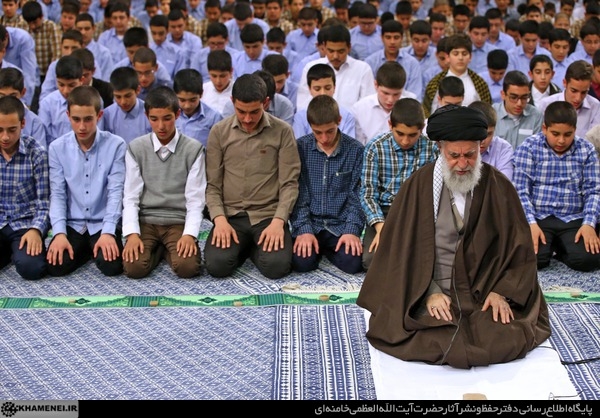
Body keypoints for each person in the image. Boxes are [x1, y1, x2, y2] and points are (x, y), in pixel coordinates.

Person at [357, 104, 551, 369]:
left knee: (504, 335)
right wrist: (429, 292)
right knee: (430, 335)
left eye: (470, 155)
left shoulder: (498, 186)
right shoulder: (417, 187)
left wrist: (502, 292)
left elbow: (518, 249)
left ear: (480, 148)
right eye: (454, 155)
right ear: (440, 149)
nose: (462, 164)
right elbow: (401, 253)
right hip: (428, 288)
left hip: (482, 291)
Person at [204, 73, 301, 279]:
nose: (247, 119)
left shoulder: (283, 131)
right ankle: (246, 247)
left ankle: (251, 248)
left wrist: (279, 222)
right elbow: (212, 186)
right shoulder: (219, 132)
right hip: (232, 216)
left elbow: (289, 184)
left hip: (267, 215)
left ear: (265, 103)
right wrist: (220, 220)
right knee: (217, 266)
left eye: (254, 112)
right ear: (232, 102)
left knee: (276, 267)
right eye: (241, 112)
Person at [122, 86, 206, 279]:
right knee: (134, 268)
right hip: (147, 221)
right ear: (147, 117)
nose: (161, 126)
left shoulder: (193, 149)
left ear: (177, 114)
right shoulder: (136, 148)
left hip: (177, 221)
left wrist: (189, 235)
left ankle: (167, 250)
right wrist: (132, 234)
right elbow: (131, 196)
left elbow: (195, 199)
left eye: (167, 118)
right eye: (154, 119)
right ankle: (160, 249)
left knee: (188, 268)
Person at [46, 85, 126, 277]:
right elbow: (57, 194)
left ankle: (92, 247)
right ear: (68, 116)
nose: (82, 126)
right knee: (55, 266)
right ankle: (87, 250)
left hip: (102, 221)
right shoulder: (57, 148)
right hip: (73, 223)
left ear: (99, 116)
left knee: (111, 266)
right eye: (76, 119)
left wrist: (108, 231)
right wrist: (59, 233)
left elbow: (116, 192)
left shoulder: (116, 145)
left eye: (88, 119)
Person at [513, 101, 600, 272]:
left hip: (573, 217)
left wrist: (589, 224)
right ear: (544, 128)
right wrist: (530, 223)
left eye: (568, 134)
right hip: (538, 216)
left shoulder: (586, 150)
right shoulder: (529, 147)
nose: (561, 140)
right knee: (532, 259)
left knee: (589, 259)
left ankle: (560, 248)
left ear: (575, 130)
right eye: (555, 134)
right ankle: (552, 246)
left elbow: (593, 190)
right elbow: (521, 190)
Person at [360, 98, 438, 271]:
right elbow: (368, 194)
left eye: (412, 135)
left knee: (427, 258)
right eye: (400, 133)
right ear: (390, 125)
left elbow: (436, 191)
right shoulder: (375, 147)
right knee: (371, 260)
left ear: (422, 129)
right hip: (385, 212)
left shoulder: (431, 149)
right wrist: (381, 227)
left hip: (417, 212)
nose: (405, 141)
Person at [290, 94, 364, 274]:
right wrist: (304, 229)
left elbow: (357, 195)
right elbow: (298, 193)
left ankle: (327, 250)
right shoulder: (301, 148)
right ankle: (317, 249)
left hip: (340, 225)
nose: (324, 138)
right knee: (301, 263)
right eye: (318, 132)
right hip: (312, 223)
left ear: (339, 120)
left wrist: (351, 230)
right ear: (310, 126)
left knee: (352, 263)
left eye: (330, 131)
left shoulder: (355, 150)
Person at [0, 95, 49, 280]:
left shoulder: (36, 154)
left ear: (22, 124)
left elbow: (45, 203)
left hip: (25, 224)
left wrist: (36, 230)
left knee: (32, 269)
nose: (5, 137)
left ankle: (15, 251)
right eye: (0, 130)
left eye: (12, 130)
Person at [352, 61, 415, 145]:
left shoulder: (412, 107)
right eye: (385, 93)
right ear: (376, 85)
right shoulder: (359, 109)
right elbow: (358, 144)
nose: (390, 100)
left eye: (396, 94)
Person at [537, 59, 600, 138]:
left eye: (584, 92)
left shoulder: (596, 106)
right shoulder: (546, 104)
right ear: (565, 83)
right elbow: (539, 138)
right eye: (574, 91)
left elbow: (594, 141)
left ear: (590, 86)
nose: (578, 98)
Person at [292, 63, 355, 139]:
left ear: (334, 87)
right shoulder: (300, 117)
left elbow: (349, 144)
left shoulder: (347, 116)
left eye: (327, 88)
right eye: (317, 89)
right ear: (310, 89)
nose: (323, 93)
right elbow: (299, 143)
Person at [99, 66, 152, 144]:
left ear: (138, 90)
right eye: (118, 97)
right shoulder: (107, 115)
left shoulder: (149, 112)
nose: (123, 102)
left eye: (128, 96)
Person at [493, 70, 543, 150]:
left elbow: (537, 149)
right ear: (503, 94)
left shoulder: (536, 116)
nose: (519, 103)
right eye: (513, 97)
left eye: (524, 98)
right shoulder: (492, 114)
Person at [173, 68, 223, 147]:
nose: (187, 105)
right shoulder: (170, 114)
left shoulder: (214, 117)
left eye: (192, 100)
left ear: (201, 94)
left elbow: (219, 146)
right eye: (182, 100)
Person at [467, 100, 515, 181]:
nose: (483, 140)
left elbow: (503, 184)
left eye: (489, 134)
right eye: (478, 133)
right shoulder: (456, 146)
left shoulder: (504, 148)